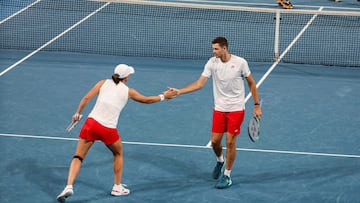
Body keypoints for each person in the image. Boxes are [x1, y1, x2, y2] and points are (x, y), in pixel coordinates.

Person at [56, 64, 176, 202]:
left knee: (78, 157)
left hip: (90, 124)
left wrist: (77, 114)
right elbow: (146, 100)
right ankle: (117, 187)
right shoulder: (128, 91)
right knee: (118, 153)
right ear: (126, 77)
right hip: (107, 129)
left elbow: (85, 98)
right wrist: (164, 96)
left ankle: (69, 186)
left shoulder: (102, 83)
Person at [170, 37, 262, 189]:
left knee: (230, 142)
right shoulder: (212, 63)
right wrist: (180, 91)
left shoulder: (240, 63)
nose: (213, 52)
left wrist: (256, 105)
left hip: (236, 108)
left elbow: (251, 83)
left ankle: (227, 175)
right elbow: (199, 84)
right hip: (219, 108)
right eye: (213, 49)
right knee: (214, 142)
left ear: (224, 48)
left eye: (216, 49)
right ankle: (220, 161)